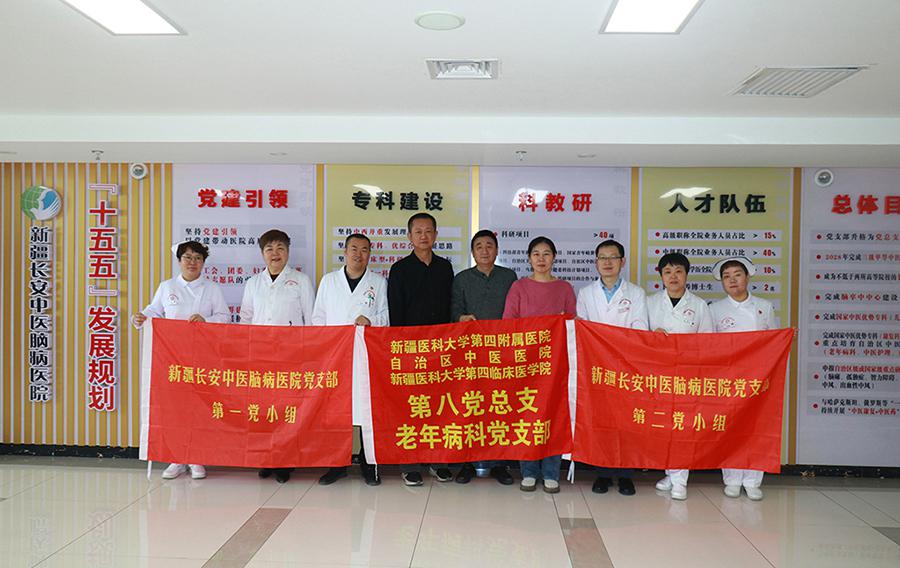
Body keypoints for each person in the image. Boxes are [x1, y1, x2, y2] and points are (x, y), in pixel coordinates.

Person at [132, 240, 229, 481]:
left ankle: (196, 457)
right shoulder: (167, 287)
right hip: (172, 359)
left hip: (202, 358)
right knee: (175, 408)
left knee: (198, 407)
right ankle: (177, 458)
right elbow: (153, 312)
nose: (192, 262)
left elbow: (224, 317)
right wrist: (140, 318)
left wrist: (206, 321)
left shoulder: (212, 288)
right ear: (179, 260)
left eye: (197, 258)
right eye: (187, 257)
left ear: (203, 262)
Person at [312, 233, 389, 487]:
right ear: (344, 253)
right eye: (354, 249)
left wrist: (370, 320)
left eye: (364, 250)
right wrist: (325, 347)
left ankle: (369, 463)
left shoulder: (378, 282)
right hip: (335, 356)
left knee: (366, 409)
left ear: (370, 255)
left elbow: (385, 319)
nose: (358, 254)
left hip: (366, 356)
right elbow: (318, 318)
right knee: (336, 411)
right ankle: (336, 464)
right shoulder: (329, 281)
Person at [240, 229, 316, 483]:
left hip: (291, 355)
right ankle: (266, 457)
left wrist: (307, 353)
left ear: (288, 251)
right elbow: (246, 319)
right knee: (263, 409)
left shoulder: (301, 281)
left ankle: (285, 460)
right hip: (260, 355)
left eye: (280, 248)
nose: (275, 253)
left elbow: (310, 320)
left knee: (287, 409)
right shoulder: (253, 283)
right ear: (262, 254)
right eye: (269, 249)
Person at [503, 236, 576, 494]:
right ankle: (529, 471)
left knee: (553, 415)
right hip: (525, 361)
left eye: (546, 253)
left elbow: (572, 323)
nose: (541, 258)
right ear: (529, 258)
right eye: (536, 253)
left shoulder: (564, 288)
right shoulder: (519, 287)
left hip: (554, 364)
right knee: (527, 412)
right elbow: (509, 322)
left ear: (554, 257)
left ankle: (551, 472)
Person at [575, 239, 648, 496]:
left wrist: (615, 347)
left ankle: (626, 475)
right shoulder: (585, 293)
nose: (607, 262)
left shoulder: (636, 293)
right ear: (596, 263)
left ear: (622, 261)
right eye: (602, 258)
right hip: (596, 366)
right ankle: (602, 473)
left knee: (627, 421)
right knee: (601, 420)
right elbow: (583, 329)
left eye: (613, 257)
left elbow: (640, 328)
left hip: (626, 365)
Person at [388, 213, 455, 486]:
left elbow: (450, 307)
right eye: (418, 231)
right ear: (409, 236)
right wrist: (402, 349)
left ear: (436, 235)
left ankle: (438, 462)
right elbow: (395, 313)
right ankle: (410, 464)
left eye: (428, 231)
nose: (424, 236)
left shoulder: (445, 268)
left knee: (439, 405)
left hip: (440, 348)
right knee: (411, 407)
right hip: (410, 349)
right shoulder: (400, 269)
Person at [450, 229, 518, 486]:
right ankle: (467, 463)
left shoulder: (509, 277)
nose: (485, 250)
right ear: (472, 252)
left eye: (490, 245)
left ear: (497, 250)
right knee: (471, 406)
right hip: (471, 352)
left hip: (501, 352)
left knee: (499, 407)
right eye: (479, 246)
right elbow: (454, 309)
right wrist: (460, 318)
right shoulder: (462, 278)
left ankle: (500, 464)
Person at [647, 252, 713, 501]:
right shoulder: (650, 302)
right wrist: (652, 335)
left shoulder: (699, 305)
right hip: (657, 374)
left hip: (687, 374)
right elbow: (637, 335)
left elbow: (707, 341)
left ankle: (680, 480)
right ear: (661, 276)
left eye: (678, 272)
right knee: (663, 425)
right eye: (668, 272)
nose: (673, 277)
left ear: (686, 275)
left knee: (682, 426)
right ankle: (670, 473)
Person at [710, 256, 774, 501]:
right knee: (730, 427)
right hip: (729, 378)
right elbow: (710, 345)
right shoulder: (715, 309)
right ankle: (733, 479)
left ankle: (753, 480)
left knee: (756, 427)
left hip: (758, 377)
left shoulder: (764, 306)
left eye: (737, 274)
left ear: (747, 277)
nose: (732, 280)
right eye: (727, 277)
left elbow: (772, 341)